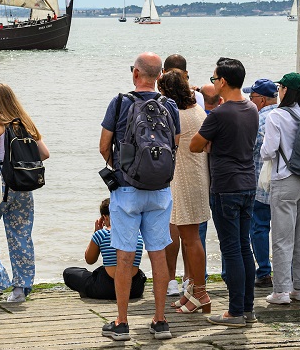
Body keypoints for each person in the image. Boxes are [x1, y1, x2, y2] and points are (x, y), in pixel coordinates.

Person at [98, 52, 179, 341]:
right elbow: (175, 145)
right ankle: (160, 320)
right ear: (159, 76)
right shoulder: (170, 105)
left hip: (127, 190)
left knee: (124, 256)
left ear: (135, 74)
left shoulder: (120, 102)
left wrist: (122, 168)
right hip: (160, 191)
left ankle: (121, 323)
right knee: (158, 254)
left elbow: (103, 145)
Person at [190, 57, 258, 327]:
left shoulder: (220, 113)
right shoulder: (252, 107)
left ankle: (235, 312)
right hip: (248, 183)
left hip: (225, 186)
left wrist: (211, 146)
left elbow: (195, 145)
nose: (212, 83)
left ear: (224, 81)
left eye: (214, 79)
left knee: (231, 249)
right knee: (244, 246)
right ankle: (247, 307)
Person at [0, 84, 50, 303]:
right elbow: (45, 154)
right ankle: (21, 288)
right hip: (23, 188)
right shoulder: (26, 124)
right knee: (21, 237)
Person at [260, 73, 300, 305]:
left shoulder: (276, 116)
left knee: (283, 238)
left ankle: (281, 291)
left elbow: (268, 151)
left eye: (280, 87)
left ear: (284, 90)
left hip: (286, 180)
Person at [158, 70, 210, 314]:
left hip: (186, 180)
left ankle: (200, 293)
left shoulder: (178, 115)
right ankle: (192, 291)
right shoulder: (196, 110)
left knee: (191, 239)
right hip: (195, 177)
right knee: (191, 238)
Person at [64, 199, 146, 300]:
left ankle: (88, 291)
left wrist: (95, 234)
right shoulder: (137, 234)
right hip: (134, 289)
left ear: (104, 217)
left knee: (69, 273)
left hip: (106, 289)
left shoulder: (102, 234)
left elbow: (90, 260)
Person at [244, 78, 278, 288]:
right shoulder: (287, 115)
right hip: (287, 183)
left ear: (262, 99)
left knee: (259, 227)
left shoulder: (257, 120)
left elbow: (250, 149)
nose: (249, 100)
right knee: (286, 229)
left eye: (252, 97)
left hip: (260, 185)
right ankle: (289, 271)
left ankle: (264, 271)